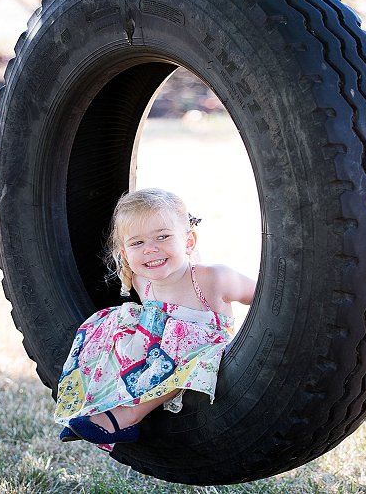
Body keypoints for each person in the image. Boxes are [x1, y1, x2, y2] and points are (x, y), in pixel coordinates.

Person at [54, 188, 255, 448]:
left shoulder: (212, 279)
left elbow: (268, 299)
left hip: (205, 355)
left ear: (189, 241)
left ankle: (128, 416)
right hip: (159, 356)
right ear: (125, 253)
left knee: (181, 345)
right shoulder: (142, 282)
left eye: (162, 236)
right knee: (111, 324)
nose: (150, 249)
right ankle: (97, 399)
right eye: (137, 243)